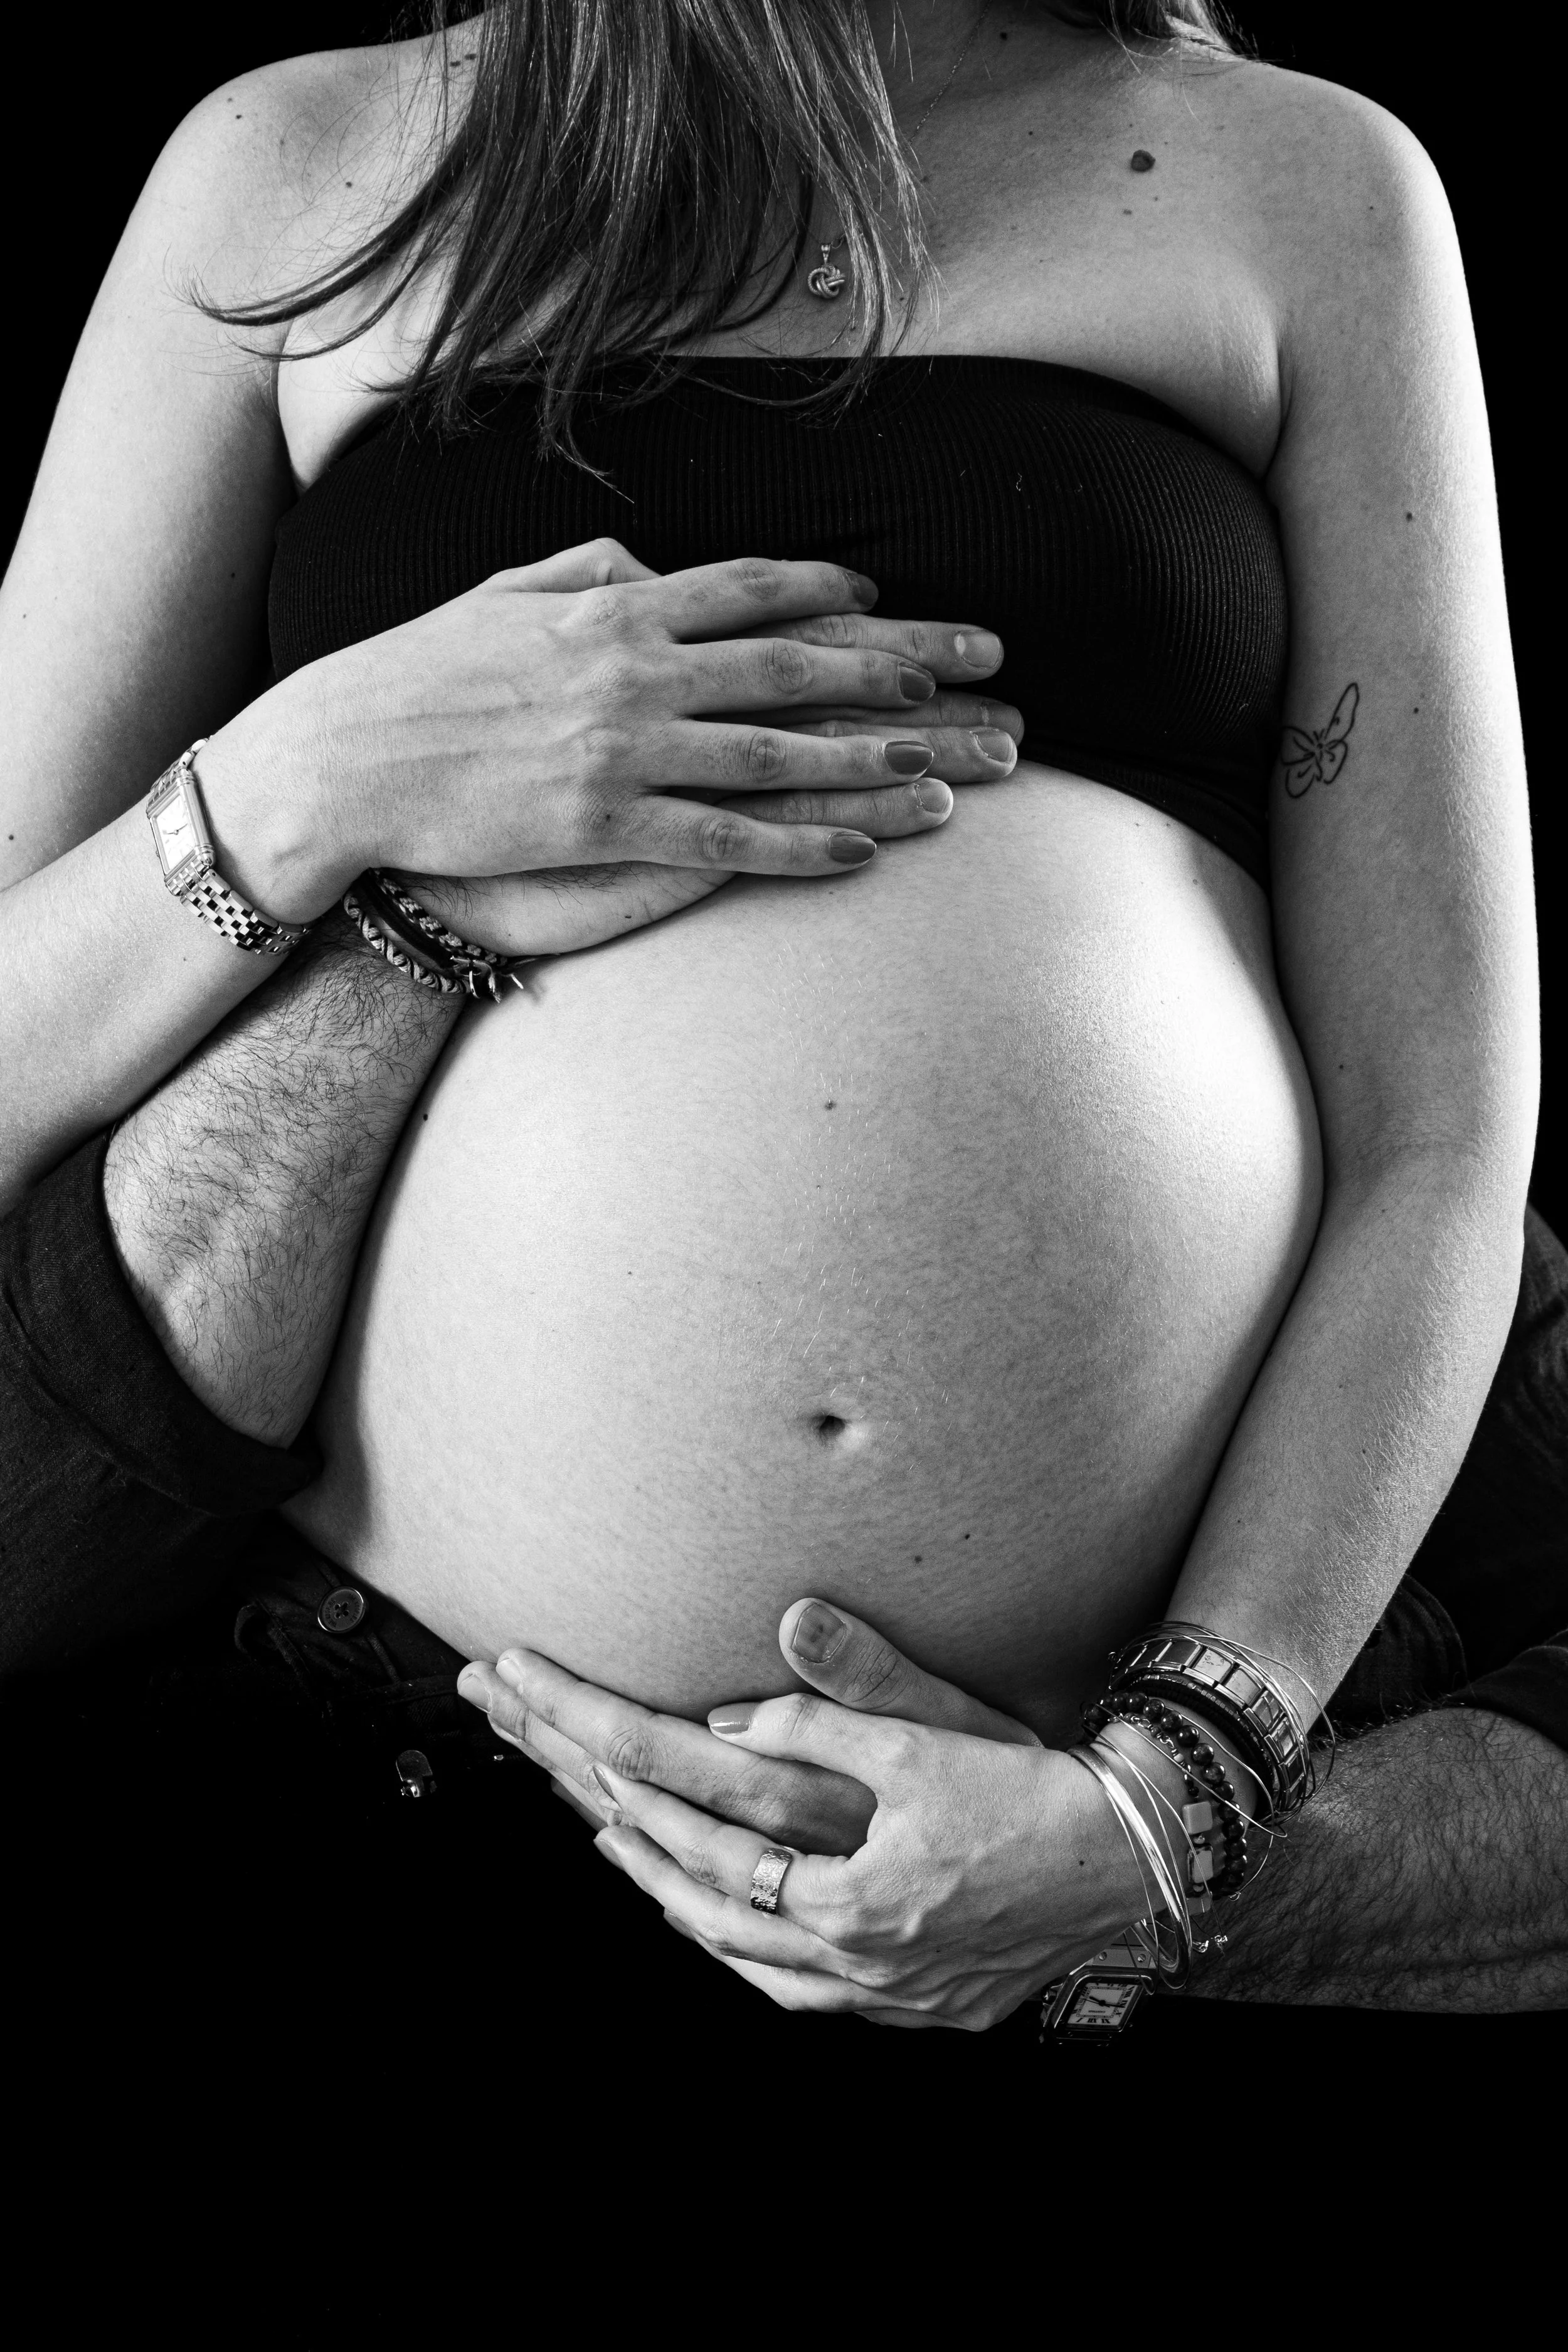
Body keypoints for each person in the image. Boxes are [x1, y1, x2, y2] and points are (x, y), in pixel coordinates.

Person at [1, 0, 1559, 2020]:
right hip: (368, 1742)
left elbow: (1440, 1127)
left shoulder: (1299, 181)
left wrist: (1175, 1784)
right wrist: (310, 784)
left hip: (1076, 1767)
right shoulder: (291, 169)